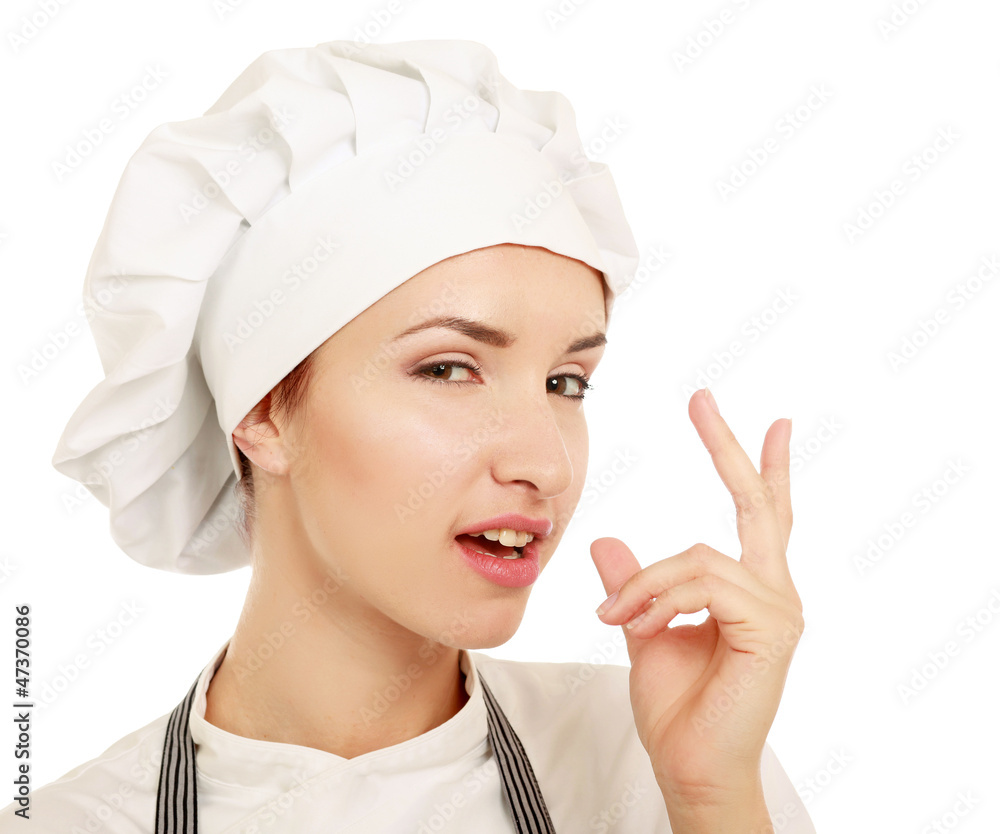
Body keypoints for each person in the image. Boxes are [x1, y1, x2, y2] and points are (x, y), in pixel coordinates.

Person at [1, 38, 814, 833]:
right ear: (260, 410)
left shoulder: (655, 760)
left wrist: (712, 801)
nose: (547, 464)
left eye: (565, 383)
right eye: (449, 369)